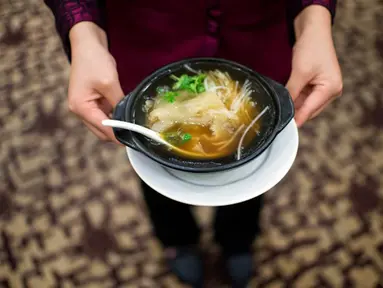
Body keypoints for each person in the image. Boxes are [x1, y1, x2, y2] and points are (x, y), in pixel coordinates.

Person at [44, 1, 342, 287]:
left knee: (250, 167)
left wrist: (315, 20)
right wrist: (84, 35)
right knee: (156, 167)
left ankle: (237, 240)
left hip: (256, 43)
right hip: (148, 42)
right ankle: (178, 239)